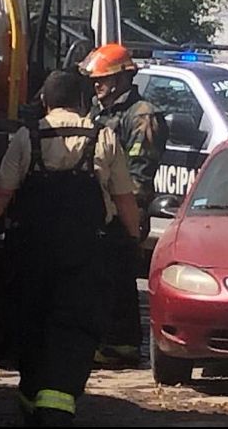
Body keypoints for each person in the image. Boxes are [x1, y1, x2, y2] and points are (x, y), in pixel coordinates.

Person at [0, 71, 140, 426]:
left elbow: (1, 192)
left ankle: (32, 394)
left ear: (45, 101)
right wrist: (133, 237)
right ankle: (57, 403)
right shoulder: (104, 137)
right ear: (82, 101)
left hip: (32, 249)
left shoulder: (25, 137)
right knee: (75, 323)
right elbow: (125, 199)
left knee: (31, 317)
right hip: (84, 251)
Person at [81, 44, 168, 368]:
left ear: (120, 79)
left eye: (101, 80)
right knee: (100, 275)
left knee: (118, 276)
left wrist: (121, 211)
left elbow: (139, 173)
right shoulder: (100, 111)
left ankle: (123, 345)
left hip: (125, 208)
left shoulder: (142, 116)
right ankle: (107, 340)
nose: (96, 86)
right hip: (101, 205)